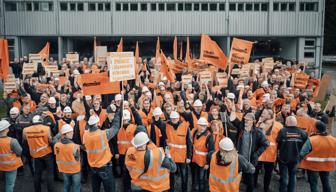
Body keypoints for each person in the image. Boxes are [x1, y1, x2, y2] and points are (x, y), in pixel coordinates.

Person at [82, 113, 120, 192]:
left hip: (93, 167)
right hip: (104, 167)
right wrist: (117, 116)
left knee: (95, 189)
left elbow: (85, 147)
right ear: (97, 123)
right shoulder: (103, 134)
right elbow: (116, 128)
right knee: (110, 189)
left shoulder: (85, 135)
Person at [300, 121, 336, 192]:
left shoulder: (312, 140)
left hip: (313, 166)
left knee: (314, 184)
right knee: (326, 182)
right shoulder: (334, 140)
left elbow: (302, 153)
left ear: (316, 129)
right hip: (327, 165)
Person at [23, 115, 55, 192]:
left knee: (37, 173)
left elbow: (25, 141)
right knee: (50, 174)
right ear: (41, 121)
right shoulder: (46, 128)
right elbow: (50, 141)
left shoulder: (25, 130)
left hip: (35, 154)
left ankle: (37, 190)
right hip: (47, 153)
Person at [276, 116, 308, 192]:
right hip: (296, 158)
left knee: (284, 177)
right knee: (293, 176)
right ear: (296, 122)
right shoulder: (303, 132)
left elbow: (278, 142)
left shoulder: (282, 131)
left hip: (284, 158)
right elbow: (306, 146)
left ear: (287, 122)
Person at [255, 109, 283, 192]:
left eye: (264, 113)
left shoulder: (278, 126)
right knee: (258, 171)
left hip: (269, 153)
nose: (262, 114)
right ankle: (259, 186)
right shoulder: (260, 123)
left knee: (267, 173)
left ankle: (265, 188)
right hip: (263, 153)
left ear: (269, 115)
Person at [164, 111, 192, 192]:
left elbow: (189, 142)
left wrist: (189, 156)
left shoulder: (185, 127)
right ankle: (171, 190)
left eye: (175, 118)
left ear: (178, 118)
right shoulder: (167, 126)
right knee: (171, 176)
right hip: (172, 156)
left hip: (182, 156)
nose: (174, 120)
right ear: (170, 119)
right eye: (172, 119)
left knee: (184, 176)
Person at [54, 124, 81, 192]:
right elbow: (77, 159)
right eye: (71, 132)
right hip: (75, 171)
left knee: (66, 186)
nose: (73, 133)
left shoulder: (56, 145)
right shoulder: (74, 147)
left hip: (64, 170)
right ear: (66, 134)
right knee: (76, 188)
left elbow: (54, 139)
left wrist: (61, 132)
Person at [191, 117, 214, 191]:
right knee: (195, 177)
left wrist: (207, 163)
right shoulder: (195, 132)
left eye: (204, 126)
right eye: (201, 125)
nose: (202, 127)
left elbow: (211, 151)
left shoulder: (209, 136)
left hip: (203, 162)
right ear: (197, 125)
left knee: (201, 179)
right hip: (195, 160)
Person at [0, 120, 23, 192]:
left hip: (1, 166)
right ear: (6, 129)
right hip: (11, 166)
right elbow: (19, 152)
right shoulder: (12, 141)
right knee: (9, 184)